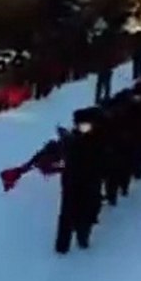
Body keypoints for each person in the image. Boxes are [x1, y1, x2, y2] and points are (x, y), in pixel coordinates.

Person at [55, 108, 103, 254]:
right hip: (72, 180)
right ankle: (63, 246)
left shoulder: (98, 138)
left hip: (91, 179)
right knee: (68, 211)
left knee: (88, 208)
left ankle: (83, 236)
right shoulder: (71, 140)